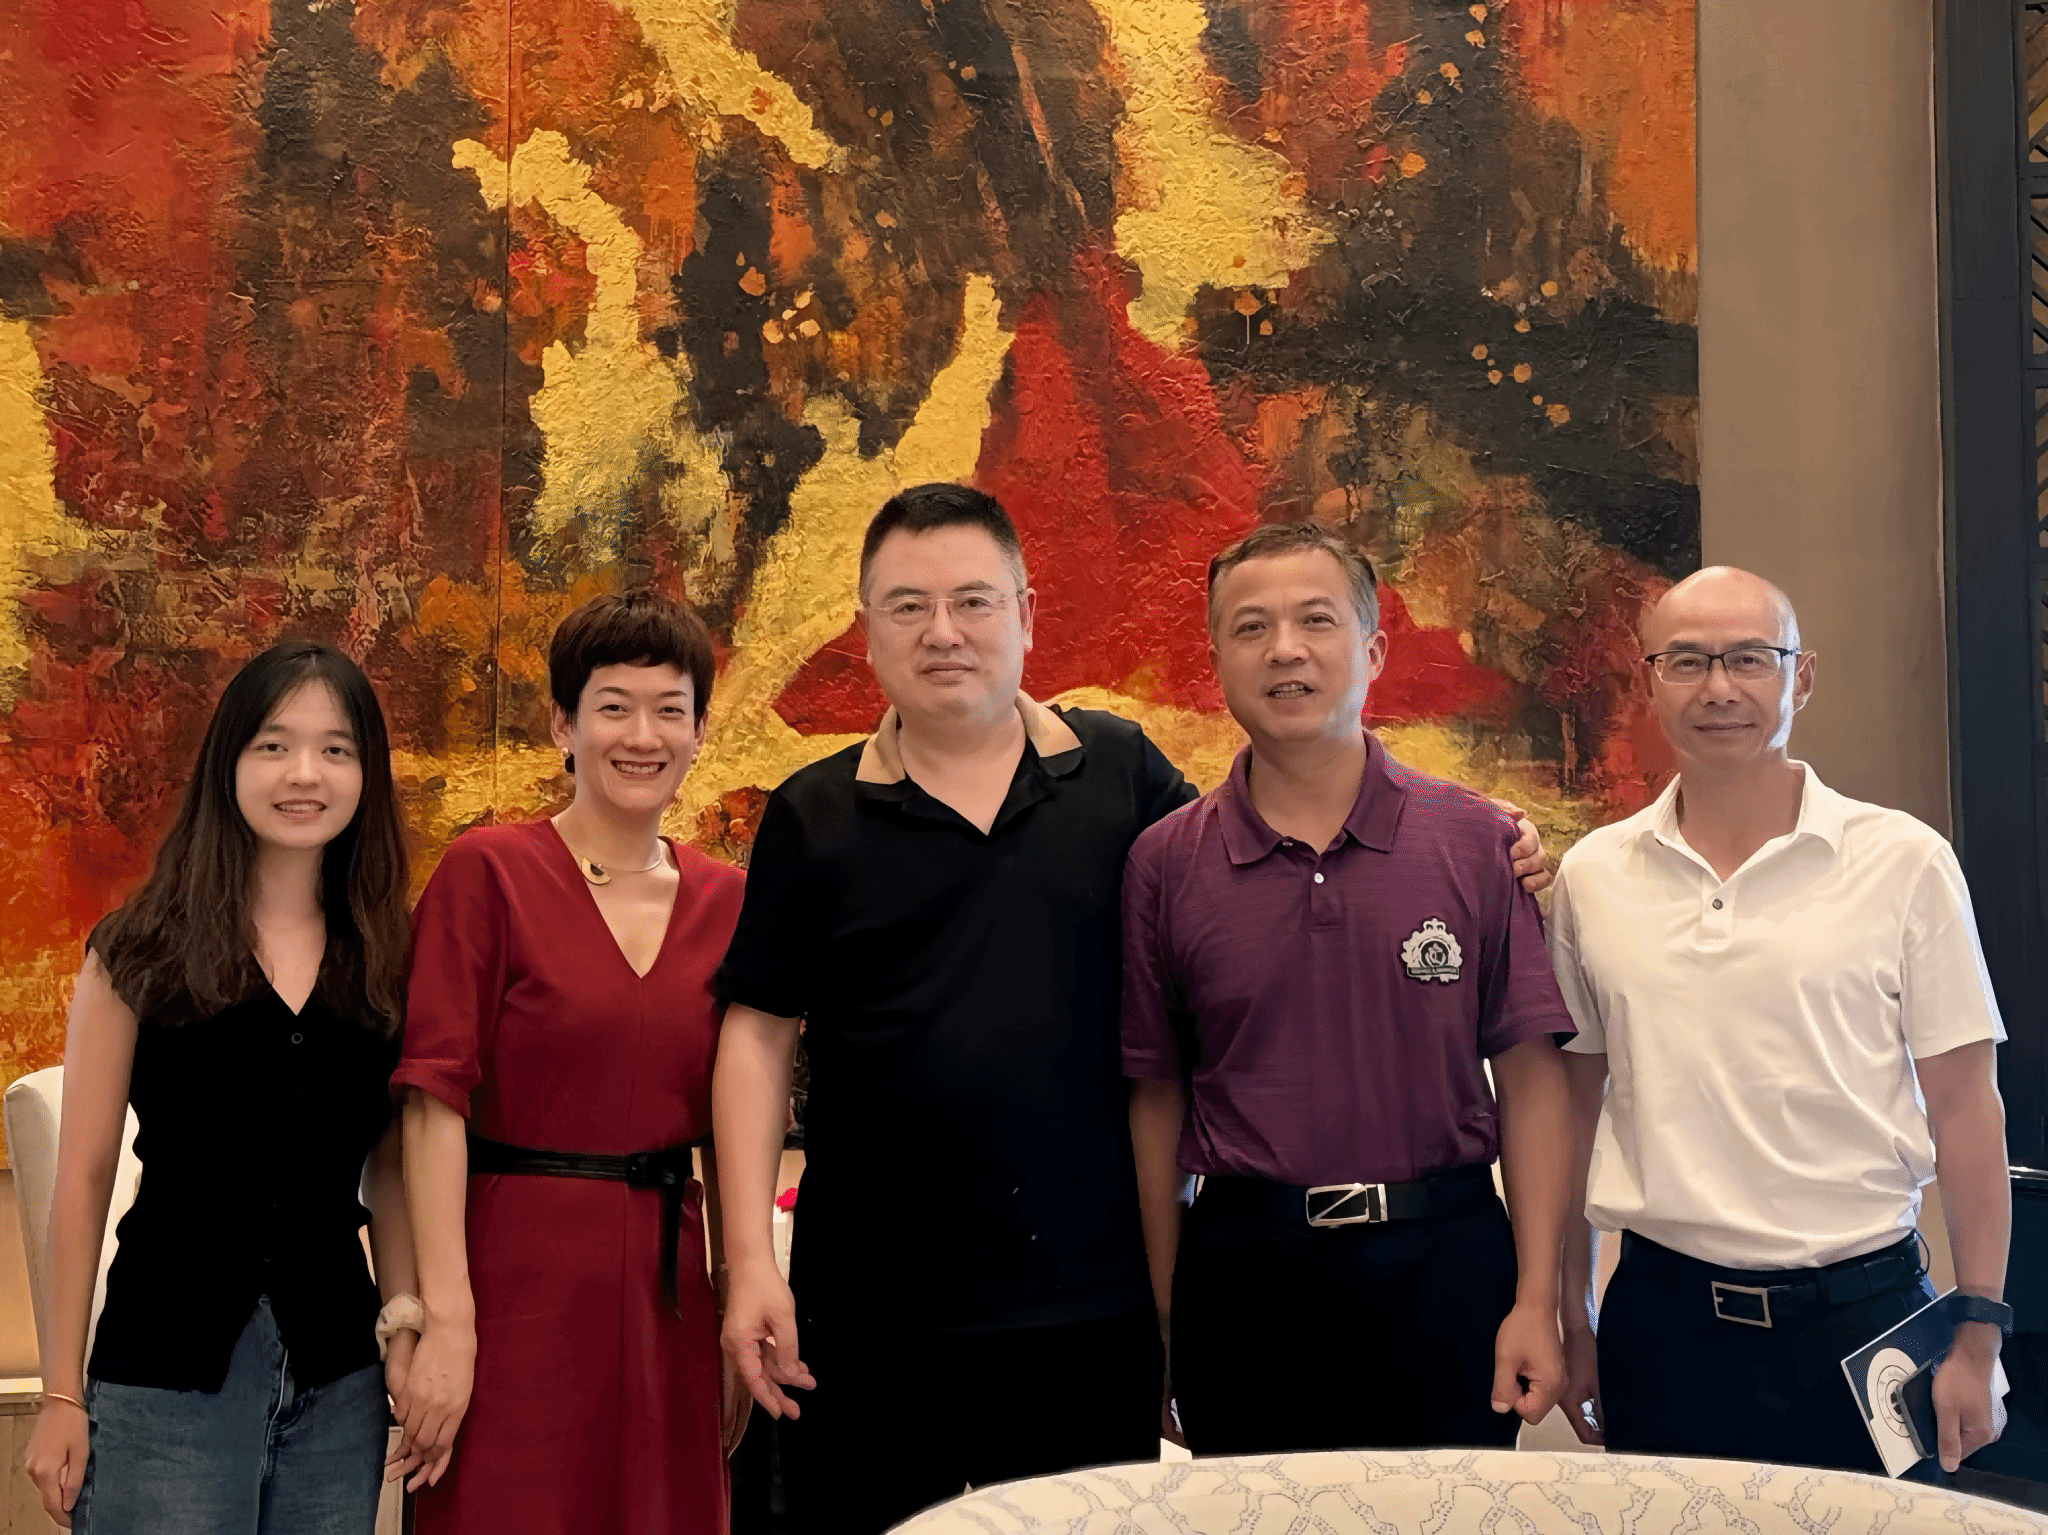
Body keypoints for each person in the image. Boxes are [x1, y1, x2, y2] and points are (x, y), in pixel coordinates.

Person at [712, 486, 1551, 1535]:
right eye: (907, 605)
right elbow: (756, 1033)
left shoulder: (1119, 777)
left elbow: (1269, 842)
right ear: (866, 627)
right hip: (871, 1304)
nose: (942, 631)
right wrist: (751, 1260)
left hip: (1088, 1308)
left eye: (973, 600)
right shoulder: (811, 812)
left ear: (1026, 615)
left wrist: (1485, 835)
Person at [1122, 521, 1576, 1456]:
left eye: (1316, 620)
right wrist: (1167, 1318)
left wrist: (1537, 1297)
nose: (1284, 649)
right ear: (1216, 660)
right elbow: (1157, 1100)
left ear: (1372, 651)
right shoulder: (1164, 864)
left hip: (1446, 1261)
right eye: (1251, 627)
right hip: (1245, 1273)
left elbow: (1532, 1077)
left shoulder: (1478, 842)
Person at [1548, 566, 2010, 1476]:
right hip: (1662, 1321)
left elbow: (1967, 1107)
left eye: (1751, 658)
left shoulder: (1905, 862)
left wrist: (1979, 1330)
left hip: (1864, 1322)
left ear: (1802, 677)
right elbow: (1570, 1108)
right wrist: (1573, 1311)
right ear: (1649, 681)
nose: (1719, 687)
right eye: (1687, 661)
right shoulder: (1594, 875)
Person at [21, 642, 417, 1533]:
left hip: (338, 1382)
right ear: (228, 761)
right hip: (163, 1374)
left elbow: (389, 1170)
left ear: (367, 774)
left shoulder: (387, 956)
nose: (304, 773)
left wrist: (403, 1327)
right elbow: (82, 1176)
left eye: (336, 749)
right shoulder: (137, 949)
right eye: (274, 744)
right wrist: (60, 1394)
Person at [391, 589, 746, 1534]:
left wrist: (732, 1305)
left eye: (670, 709)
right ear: (563, 724)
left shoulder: (731, 901)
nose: (642, 735)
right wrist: (445, 1317)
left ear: (700, 731)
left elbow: (737, 1123)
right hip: (512, 1287)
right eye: (613, 706)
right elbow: (430, 1101)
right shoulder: (488, 872)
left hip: (670, 1294)